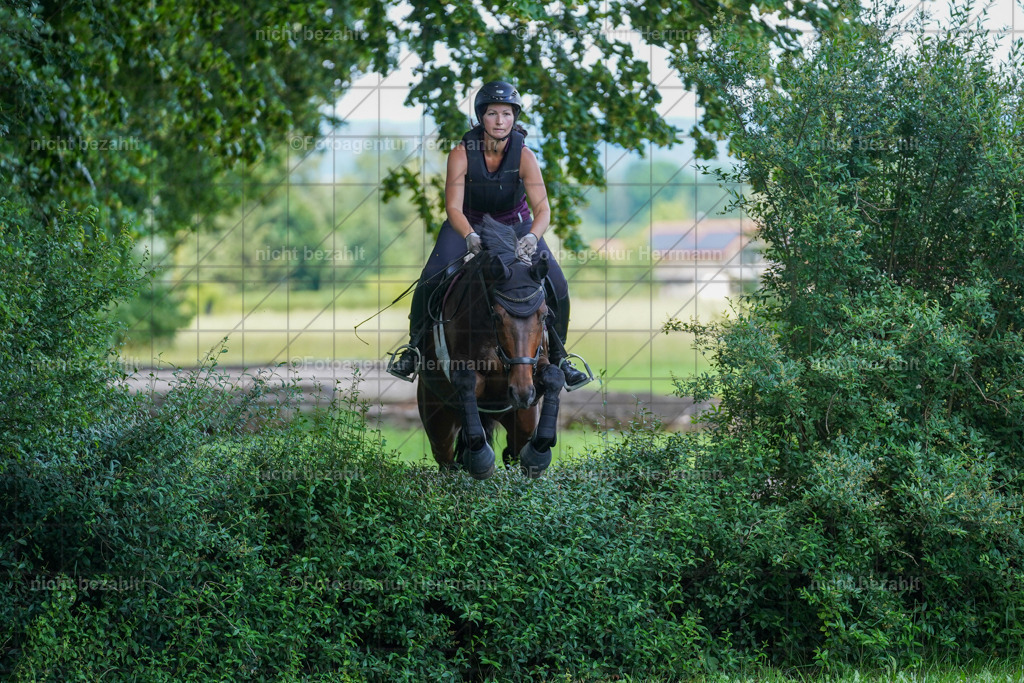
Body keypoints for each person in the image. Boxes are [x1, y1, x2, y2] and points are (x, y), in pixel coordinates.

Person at [387, 80, 592, 391]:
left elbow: (544, 210)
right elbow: (452, 208)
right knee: (431, 276)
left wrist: (532, 238)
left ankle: (562, 357)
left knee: (558, 282)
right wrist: (469, 236)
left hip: (518, 228)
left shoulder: (525, 156)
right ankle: (414, 350)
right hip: (469, 225)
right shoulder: (461, 153)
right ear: (481, 117)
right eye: (493, 113)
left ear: (515, 118)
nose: (500, 121)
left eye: (507, 114)